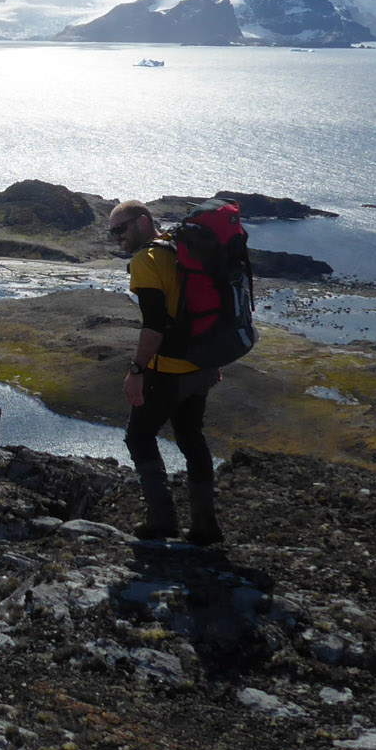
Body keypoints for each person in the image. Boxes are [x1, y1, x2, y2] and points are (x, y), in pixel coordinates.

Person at [107, 200, 222, 544]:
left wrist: (136, 370)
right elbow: (204, 307)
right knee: (191, 438)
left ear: (143, 222)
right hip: (199, 367)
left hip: (168, 370)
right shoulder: (181, 248)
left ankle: (162, 520)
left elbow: (154, 326)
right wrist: (212, 360)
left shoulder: (146, 260)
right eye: (112, 232)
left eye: (121, 229)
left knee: (139, 436)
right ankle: (205, 526)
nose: (116, 238)